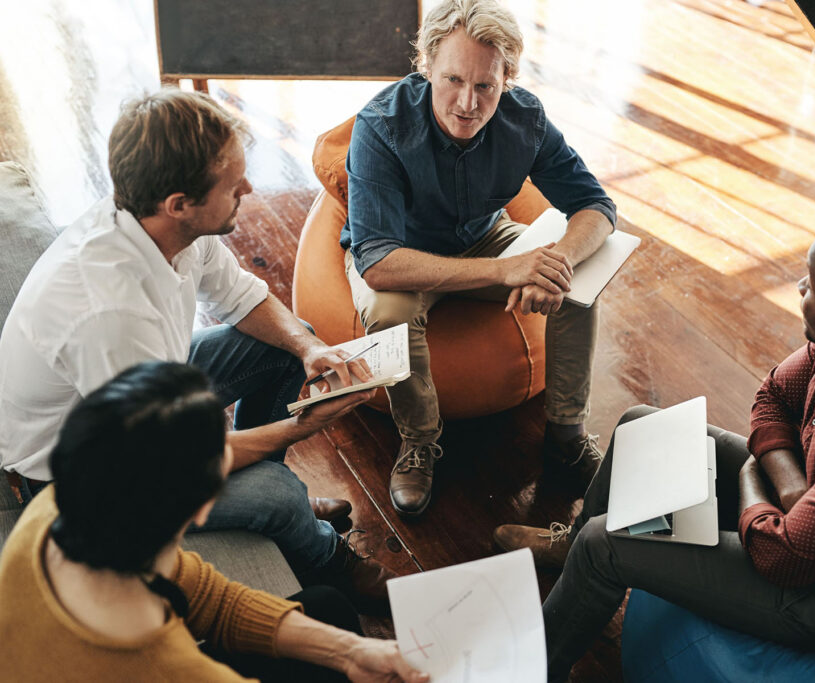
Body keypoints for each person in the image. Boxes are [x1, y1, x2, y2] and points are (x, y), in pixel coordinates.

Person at [494, 210, 815, 681]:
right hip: (809, 510)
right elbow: (772, 396)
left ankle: (537, 671)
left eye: (811, 285)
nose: (800, 286)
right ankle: (570, 545)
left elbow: (781, 558)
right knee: (640, 425)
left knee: (607, 546)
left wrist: (756, 474)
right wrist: (793, 495)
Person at [0, 89, 395, 612]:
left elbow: (239, 296)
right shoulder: (108, 314)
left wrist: (309, 346)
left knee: (285, 342)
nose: (250, 188)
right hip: (81, 477)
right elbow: (169, 462)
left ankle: (275, 497)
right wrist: (305, 426)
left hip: (142, 397)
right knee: (277, 494)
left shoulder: (159, 222)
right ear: (179, 205)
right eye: (234, 185)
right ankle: (328, 560)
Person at [342, 0, 617, 515]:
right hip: (402, 250)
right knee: (389, 311)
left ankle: (565, 434)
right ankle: (420, 441)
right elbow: (377, 261)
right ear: (426, 67)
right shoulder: (379, 126)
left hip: (483, 235)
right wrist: (505, 269)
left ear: (506, 78)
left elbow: (596, 205)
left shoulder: (525, 118)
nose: (467, 102)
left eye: (485, 85)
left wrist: (555, 260)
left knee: (576, 282)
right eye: (452, 80)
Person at [0, 361, 427, 682]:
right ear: (205, 506)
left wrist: (350, 653)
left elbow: (205, 598)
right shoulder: (170, 668)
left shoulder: (58, 507)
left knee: (325, 606)